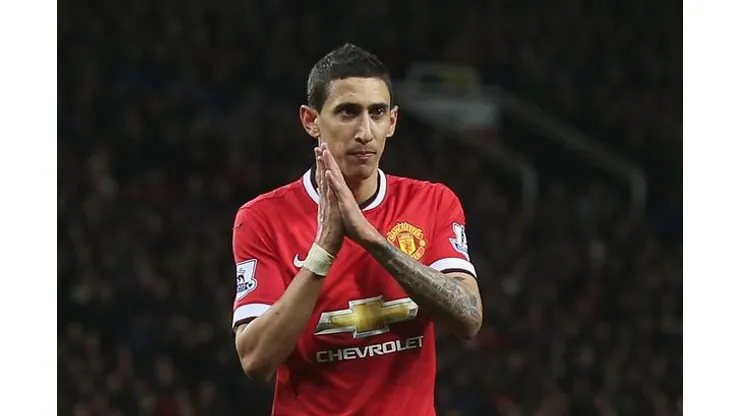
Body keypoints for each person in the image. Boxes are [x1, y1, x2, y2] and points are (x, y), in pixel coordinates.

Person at [231, 43, 483, 416]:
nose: (365, 131)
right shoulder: (262, 218)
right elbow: (256, 361)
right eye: (348, 112)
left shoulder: (433, 202)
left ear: (392, 122)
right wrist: (323, 252)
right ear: (311, 121)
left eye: (377, 112)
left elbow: (469, 318)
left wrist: (374, 241)